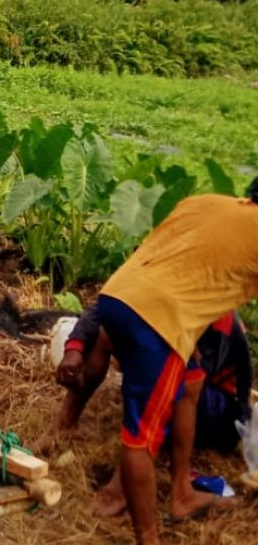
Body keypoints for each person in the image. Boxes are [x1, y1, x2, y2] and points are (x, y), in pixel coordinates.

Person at [91, 178, 258, 544]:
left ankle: (181, 492)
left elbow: (176, 259)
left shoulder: (207, 203)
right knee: (140, 440)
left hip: (118, 294)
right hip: (155, 319)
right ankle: (147, 538)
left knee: (191, 382)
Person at [37, 301, 252, 517]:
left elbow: (181, 373)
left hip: (225, 413)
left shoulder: (218, 315)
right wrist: (74, 347)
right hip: (187, 377)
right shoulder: (155, 281)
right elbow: (104, 306)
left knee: (166, 370)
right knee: (106, 333)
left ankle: (133, 487)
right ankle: (61, 428)